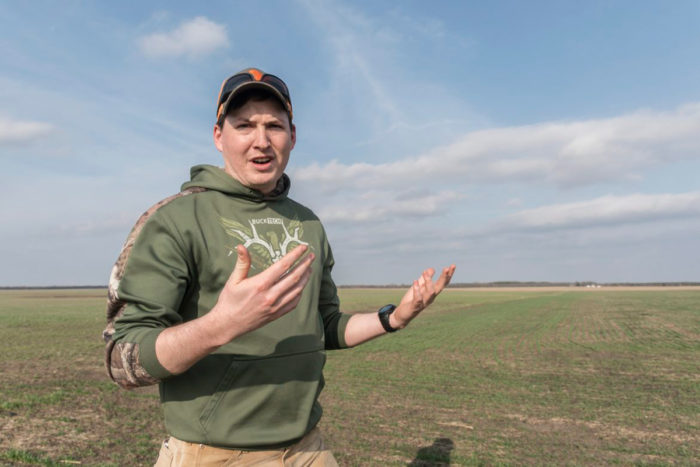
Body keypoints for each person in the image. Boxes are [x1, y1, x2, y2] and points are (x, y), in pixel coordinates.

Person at [103, 67, 456, 466]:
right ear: (218, 136)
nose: (262, 140)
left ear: (293, 136)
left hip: (308, 448)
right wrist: (221, 325)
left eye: (275, 125)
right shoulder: (174, 219)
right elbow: (123, 360)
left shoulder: (307, 223)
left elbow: (323, 324)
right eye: (244, 125)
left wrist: (394, 318)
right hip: (213, 455)